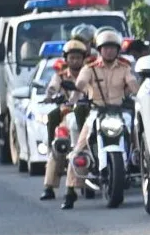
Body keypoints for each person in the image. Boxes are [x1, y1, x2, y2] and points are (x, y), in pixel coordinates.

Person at [60, 29, 140, 209]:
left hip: (120, 112)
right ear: (99, 49)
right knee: (78, 149)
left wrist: (140, 94)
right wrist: (72, 100)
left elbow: (132, 82)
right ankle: (70, 192)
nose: (109, 51)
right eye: (105, 48)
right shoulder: (90, 69)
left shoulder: (125, 68)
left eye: (113, 48)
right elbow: (80, 84)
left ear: (118, 50)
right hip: (97, 112)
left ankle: (139, 160)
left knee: (136, 131)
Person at [39, 37, 93, 201]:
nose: (75, 60)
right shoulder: (61, 76)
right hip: (67, 114)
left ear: (84, 58)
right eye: (71, 57)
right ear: (66, 59)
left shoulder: (90, 72)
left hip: (88, 113)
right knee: (58, 146)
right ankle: (49, 186)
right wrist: (50, 95)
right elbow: (53, 86)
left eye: (78, 57)